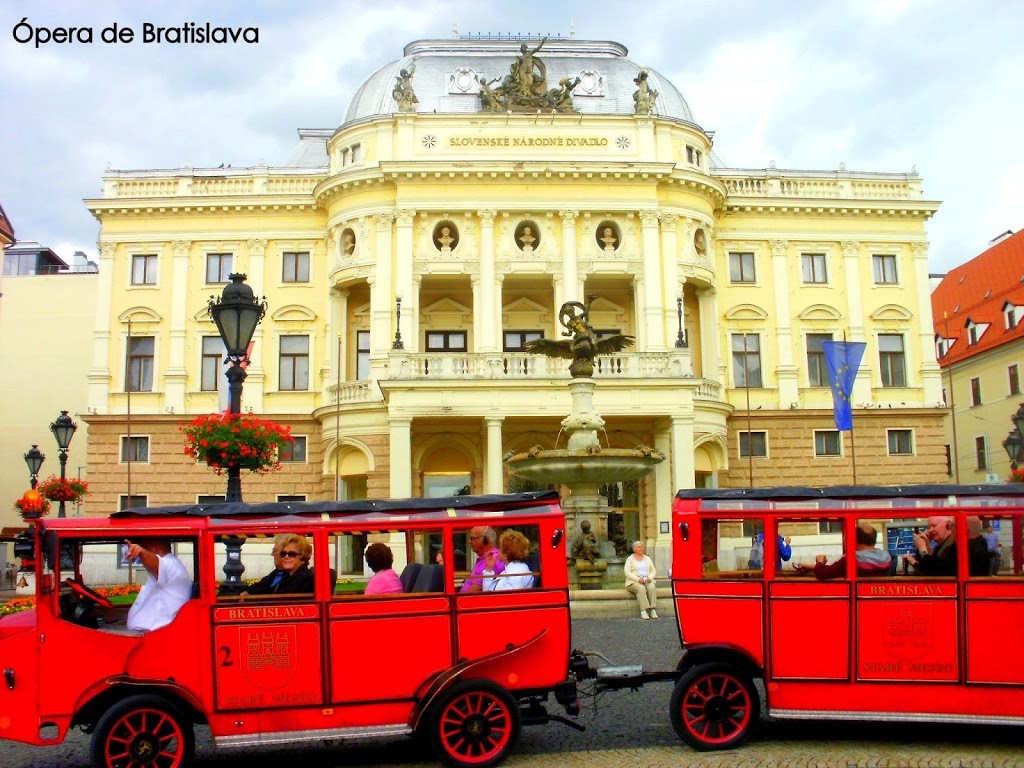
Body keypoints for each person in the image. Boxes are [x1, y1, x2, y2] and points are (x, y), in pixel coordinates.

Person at [125, 538, 192, 632]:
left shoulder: (170, 564)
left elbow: (157, 563)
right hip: (148, 634)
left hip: (153, 636)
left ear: (155, 548)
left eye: (145, 547)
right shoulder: (172, 565)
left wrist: (142, 552)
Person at [795, 524, 891, 579]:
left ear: (854, 539)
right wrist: (809, 566)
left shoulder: (851, 559)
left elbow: (823, 574)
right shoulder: (887, 558)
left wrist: (820, 561)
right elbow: (836, 569)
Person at [241, 533, 314, 596]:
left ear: (303, 557)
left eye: (291, 554)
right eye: (283, 554)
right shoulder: (284, 574)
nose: (286, 557)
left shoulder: (306, 578)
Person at [460, 526, 504, 592]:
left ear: (486, 539)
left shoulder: (493, 559)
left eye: (472, 538)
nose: (469, 542)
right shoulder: (485, 559)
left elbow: (469, 594)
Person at [624, 540, 657, 619]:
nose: (641, 548)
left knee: (652, 587)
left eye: (641, 547)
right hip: (633, 582)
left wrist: (650, 578)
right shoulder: (630, 559)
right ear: (634, 549)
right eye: (639, 547)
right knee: (641, 588)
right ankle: (644, 611)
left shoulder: (647, 558)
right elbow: (627, 572)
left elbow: (653, 570)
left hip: (646, 580)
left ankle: (653, 609)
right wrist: (638, 579)